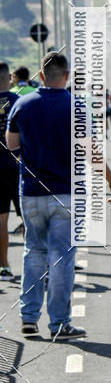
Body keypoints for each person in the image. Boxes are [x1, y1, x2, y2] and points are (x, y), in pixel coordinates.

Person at [6, 52, 111, 338]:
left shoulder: (23, 104)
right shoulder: (77, 106)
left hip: (31, 192)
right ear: (67, 76)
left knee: (33, 252)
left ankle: (28, 319)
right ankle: (59, 323)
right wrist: (110, 180)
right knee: (62, 259)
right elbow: (92, 152)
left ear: (41, 76)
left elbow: (11, 145)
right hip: (66, 194)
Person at [0, 63, 20, 279]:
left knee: (1, 221)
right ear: (9, 79)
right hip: (17, 166)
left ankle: (4, 266)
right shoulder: (18, 102)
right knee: (30, 220)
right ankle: (40, 266)